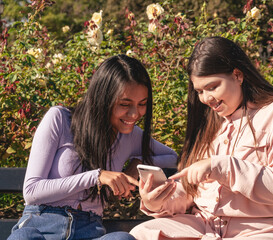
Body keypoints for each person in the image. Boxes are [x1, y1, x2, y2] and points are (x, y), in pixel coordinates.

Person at [130, 36, 273, 240]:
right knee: (143, 234)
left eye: (212, 87)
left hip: (271, 229)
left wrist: (222, 167)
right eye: (200, 91)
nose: (206, 98)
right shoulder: (210, 122)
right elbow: (191, 192)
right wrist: (157, 200)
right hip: (207, 228)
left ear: (238, 75)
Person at [8, 55, 178, 240]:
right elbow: (32, 191)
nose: (134, 113)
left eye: (142, 104)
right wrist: (97, 176)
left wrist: (138, 163)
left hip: (89, 231)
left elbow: (174, 158)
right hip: (41, 227)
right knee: (23, 237)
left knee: (123, 239)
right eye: (124, 104)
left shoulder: (130, 135)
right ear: (103, 98)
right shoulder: (60, 119)